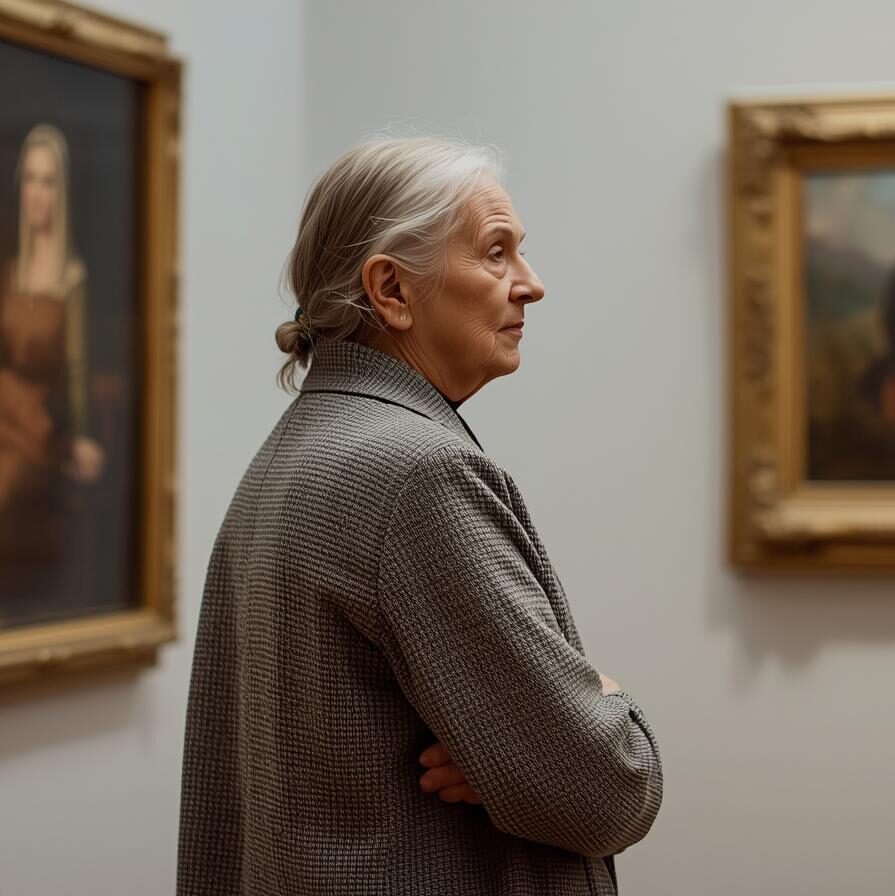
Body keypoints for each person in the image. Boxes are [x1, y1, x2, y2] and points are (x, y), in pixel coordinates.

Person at [177, 134, 663, 895]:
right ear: (391, 290)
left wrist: (510, 755)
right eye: (496, 252)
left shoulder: (291, 451)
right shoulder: (418, 475)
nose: (531, 284)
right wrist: (598, 694)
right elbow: (607, 788)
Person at [0, 123, 105, 603]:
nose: (36, 193)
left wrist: (81, 435)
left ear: (61, 192)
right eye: (30, 179)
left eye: (47, 182)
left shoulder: (72, 278)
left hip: (40, 429)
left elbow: (78, 369)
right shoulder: (11, 272)